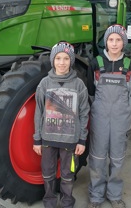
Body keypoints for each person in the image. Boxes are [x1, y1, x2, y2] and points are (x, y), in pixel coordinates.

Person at [33, 41, 90, 208]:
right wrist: (37, 139)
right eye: (58, 58)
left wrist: (81, 140)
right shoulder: (44, 84)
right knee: (48, 174)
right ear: (53, 60)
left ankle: (67, 202)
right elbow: (39, 112)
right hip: (48, 141)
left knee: (68, 174)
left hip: (70, 143)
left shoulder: (79, 85)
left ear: (71, 61)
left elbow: (84, 113)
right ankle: (49, 202)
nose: (62, 62)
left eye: (66, 58)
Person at [87, 25, 131, 208]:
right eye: (111, 40)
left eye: (118, 40)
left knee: (117, 159)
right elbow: (91, 94)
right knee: (97, 159)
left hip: (120, 120)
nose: (114, 44)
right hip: (100, 119)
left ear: (123, 42)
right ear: (106, 42)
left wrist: (121, 114)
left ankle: (114, 195)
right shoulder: (95, 63)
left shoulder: (130, 66)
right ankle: (96, 196)